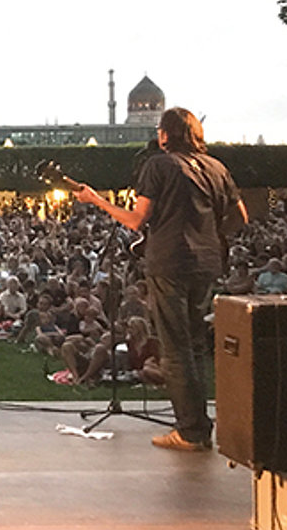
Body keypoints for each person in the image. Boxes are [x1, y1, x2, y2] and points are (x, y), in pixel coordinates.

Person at [75, 107, 246, 452]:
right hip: (206, 263)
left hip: (170, 262)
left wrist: (96, 200)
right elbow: (240, 217)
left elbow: (137, 220)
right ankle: (199, 424)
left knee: (176, 348)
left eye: (159, 130)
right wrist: (212, 236)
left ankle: (191, 431)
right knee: (195, 345)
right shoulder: (216, 167)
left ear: (166, 134)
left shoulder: (159, 165)